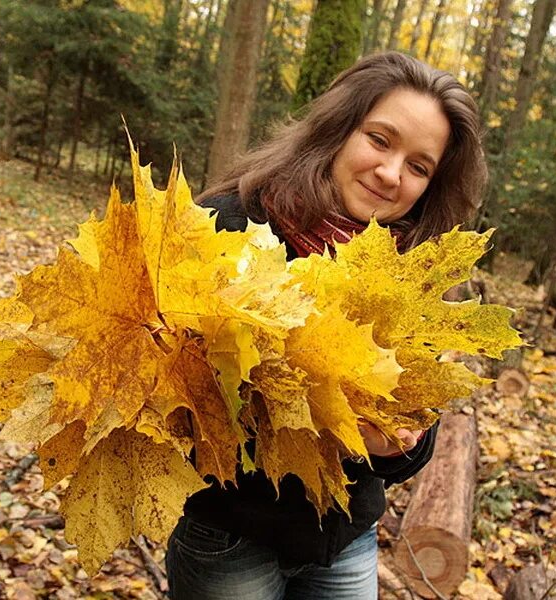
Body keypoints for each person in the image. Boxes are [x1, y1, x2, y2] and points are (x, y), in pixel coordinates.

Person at [165, 51, 488, 600]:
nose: (390, 174)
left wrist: (394, 446)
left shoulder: (416, 269)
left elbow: (417, 427)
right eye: (380, 140)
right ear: (339, 130)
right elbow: (165, 394)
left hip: (344, 538)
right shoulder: (231, 223)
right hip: (230, 535)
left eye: (418, 166)